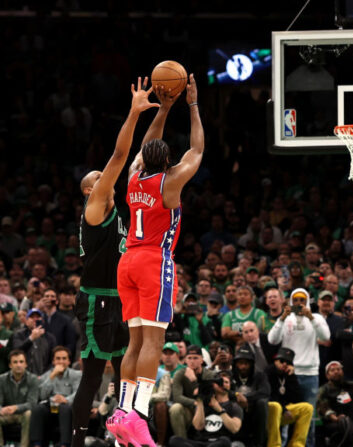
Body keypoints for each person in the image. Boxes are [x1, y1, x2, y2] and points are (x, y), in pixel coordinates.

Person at [110, 74, 204, 447]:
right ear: (167, 160)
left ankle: (121, 412)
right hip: (153, 261)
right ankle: (140, 415)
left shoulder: (133, 177)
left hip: (127, 260)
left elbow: (145, 146)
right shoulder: (169, 182)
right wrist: (192, 105)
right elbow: (196, 151)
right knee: (154, 340)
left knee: (133, 343)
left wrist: (164, 108)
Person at [72, 78, 154, 447]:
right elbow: (120, 157)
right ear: (91, 190)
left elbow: (140, 155)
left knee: (126, 374)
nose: (103, 179)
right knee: (92, 377)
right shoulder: (94, 208)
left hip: (121, 296)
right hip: (96, 299)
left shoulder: (117, 211)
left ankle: (123, 439)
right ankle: (75, 442)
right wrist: (133, 112)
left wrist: (163, 110)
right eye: (97, 178)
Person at [267, 287, 330, 447]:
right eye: (296, 300)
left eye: (302, 300)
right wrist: (281, 319)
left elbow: (326, 336)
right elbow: (272, 340)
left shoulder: (317, 317)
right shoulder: (286, 319)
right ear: (290, 302)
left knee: (309, 419)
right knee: (286, 416)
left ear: (308, 301)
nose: (299, 303)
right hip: (288, 374)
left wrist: (311, 318)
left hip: (310, 373)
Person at [168, 374, 243, 447]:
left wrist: (218, 408)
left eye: (226, 382)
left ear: (230, 386)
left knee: (225, 441)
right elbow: (198, 426)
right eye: (219, 382)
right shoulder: (205, 404)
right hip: (200, 442)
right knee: (174, 440)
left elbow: (234, 428)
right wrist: (200, 401)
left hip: (218, 442)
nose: (222, 384)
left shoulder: (234, 406)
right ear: (213, 385)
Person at [30, 346, 81, 447]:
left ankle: (64, 444)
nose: (61, 361)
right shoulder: (48, 375)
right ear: (53, 361)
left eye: (64, 358)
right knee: (37, 409)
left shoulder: (77, 375)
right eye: (58, 359)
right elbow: (42, 395)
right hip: (50, 407)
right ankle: (36, 444)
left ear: (69, 361)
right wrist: (52, 376)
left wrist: (65, 399)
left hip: (67, 407)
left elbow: (78, 393)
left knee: (64, 408)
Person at [265, 347, 313, 447]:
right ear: (275, 360)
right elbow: (268, 396)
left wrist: (292, 376)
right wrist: (284, 409)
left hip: (283, 412)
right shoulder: (267, 372)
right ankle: (274, 445)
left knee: (307, 408)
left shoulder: (287, 375)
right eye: (282, 361)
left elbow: (298, 398)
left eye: (288, 362)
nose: (284, 364)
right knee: (276, 406)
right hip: (268, 412)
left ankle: (297, 444)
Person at [169, 345, 219, 439]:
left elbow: (208, 397)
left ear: (202, 360)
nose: (192, 361)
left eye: (196, 358)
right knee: (175, 408)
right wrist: (195, 403)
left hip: (206, 410)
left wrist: (194, 380)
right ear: (185, 360)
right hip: (189, 410)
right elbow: (177, 397)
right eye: (189, 358)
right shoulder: (180, 374)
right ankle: (182, 442)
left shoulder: (210, 375)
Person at [230, 345, 270, 446]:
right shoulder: (230, 375)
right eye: (240, 363)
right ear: (236, 364)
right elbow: (224, 391)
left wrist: (246, 398)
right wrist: (237, 396)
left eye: (246, 363)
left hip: (254, 410)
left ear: (252, 364)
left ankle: (259, 443)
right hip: (235, 411)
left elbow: (265, 391)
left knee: (262, 402)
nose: (243, 366)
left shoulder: (260, 375)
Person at [0, 350, 39, 447]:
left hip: (23, 414)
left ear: (26, 364)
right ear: (10, 365)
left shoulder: (33, 379)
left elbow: (32, 403)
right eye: (15, 362)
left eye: (21, 362)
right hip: (6, 414)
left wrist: (16, 408)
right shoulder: (1, 379)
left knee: (29, 413)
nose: (18, 365)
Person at [12, 308, 57, 376]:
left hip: (43, 377)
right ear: (26, 321)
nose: (35, 319)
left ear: (42, 320)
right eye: (32, 317)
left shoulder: (50, 338)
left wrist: (45, 375)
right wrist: (31, 338)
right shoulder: (19, 334)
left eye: (38, 317)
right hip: (23, 376)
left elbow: (53, 359)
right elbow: (16, 351)